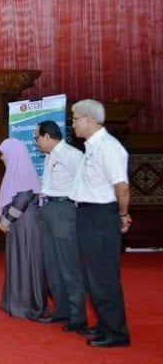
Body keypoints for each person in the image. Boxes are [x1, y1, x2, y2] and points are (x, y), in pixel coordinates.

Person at [68, 99, 131, 348]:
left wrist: (122, 214)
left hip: (101, 216)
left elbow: (121, 185)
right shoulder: (92, 146)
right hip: (88, 215)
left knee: (103, 276)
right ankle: (105, 324)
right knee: (94, 274)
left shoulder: (107, 146)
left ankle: (117, 333)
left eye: (75, 119)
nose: (72, 124)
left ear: (89, 120)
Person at [33, 121, 87, 331]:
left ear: (48, 136)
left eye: (37, 138)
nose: (36, 143)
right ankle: (62, 310)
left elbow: (83, 182)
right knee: (52, 264)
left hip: (64, 209)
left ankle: (77, 315)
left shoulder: (71, 155)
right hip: (47, 209)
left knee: (68, 265)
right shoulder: (49, 156)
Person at [0, 138, 46, 319]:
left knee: (26, 261)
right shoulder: (16, 172)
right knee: (18, 261)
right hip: (19, 226)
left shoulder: (25, 173)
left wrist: (7, 220)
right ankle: (16, 302)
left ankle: (26, 305)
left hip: (26, 226)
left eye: (4, 154)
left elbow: (23, 198)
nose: (2, 158)